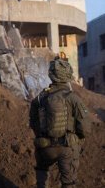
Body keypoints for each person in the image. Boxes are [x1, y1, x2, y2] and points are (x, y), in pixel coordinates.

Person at [29, 57, 91, 188]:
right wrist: (78, 138)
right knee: (68, 182)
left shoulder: (40, 97)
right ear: (68, 75)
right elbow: (85, 127)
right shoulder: (72, 97)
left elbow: (33, 122)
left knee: (42, 173)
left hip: (44, 147)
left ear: (51, 75)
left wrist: (41, 135)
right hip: (66, 148)